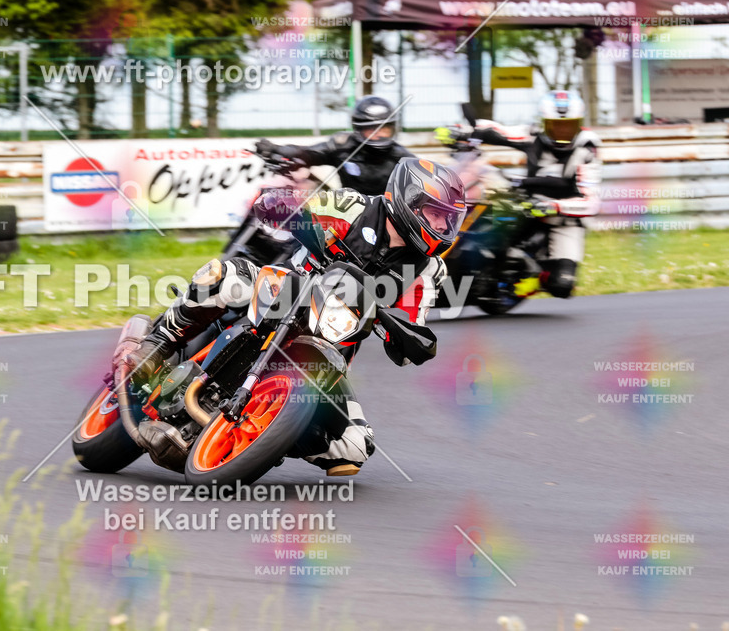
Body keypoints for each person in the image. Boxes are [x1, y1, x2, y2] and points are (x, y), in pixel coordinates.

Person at [124, 157, 466, 477]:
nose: (441, 225)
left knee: (355, 447)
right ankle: (158, 344)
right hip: (283, 290)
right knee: (223, 277)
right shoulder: (354, 206)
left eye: (448, 219)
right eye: (435, 214)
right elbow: (299, 206)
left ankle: (269, 434)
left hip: (331, 342)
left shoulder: (429, 271)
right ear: (409, 201)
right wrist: (285, 205)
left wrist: (407, 339)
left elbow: (412, 327)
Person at [444, 90, 601, 298]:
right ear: (545, 123)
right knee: (484, 216)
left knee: (561, 285)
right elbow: (498, 131)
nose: (561, 131)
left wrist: (555, 206)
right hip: (526, 202)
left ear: (578, 123)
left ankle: (529, 280)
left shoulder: (587, 151)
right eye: (555, 125)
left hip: (563, 218)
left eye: (568, 125)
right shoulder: (534, 135)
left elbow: (591, 202)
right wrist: (466, 131)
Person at [254, 96, 414, 196]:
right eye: (372, 129)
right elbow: (309, 153)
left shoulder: (404, 159)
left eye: (384, 129)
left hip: (388, 222)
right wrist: (279, 149)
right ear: (359, 129)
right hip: (347, 217)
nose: (379, 135)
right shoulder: (343, 146)